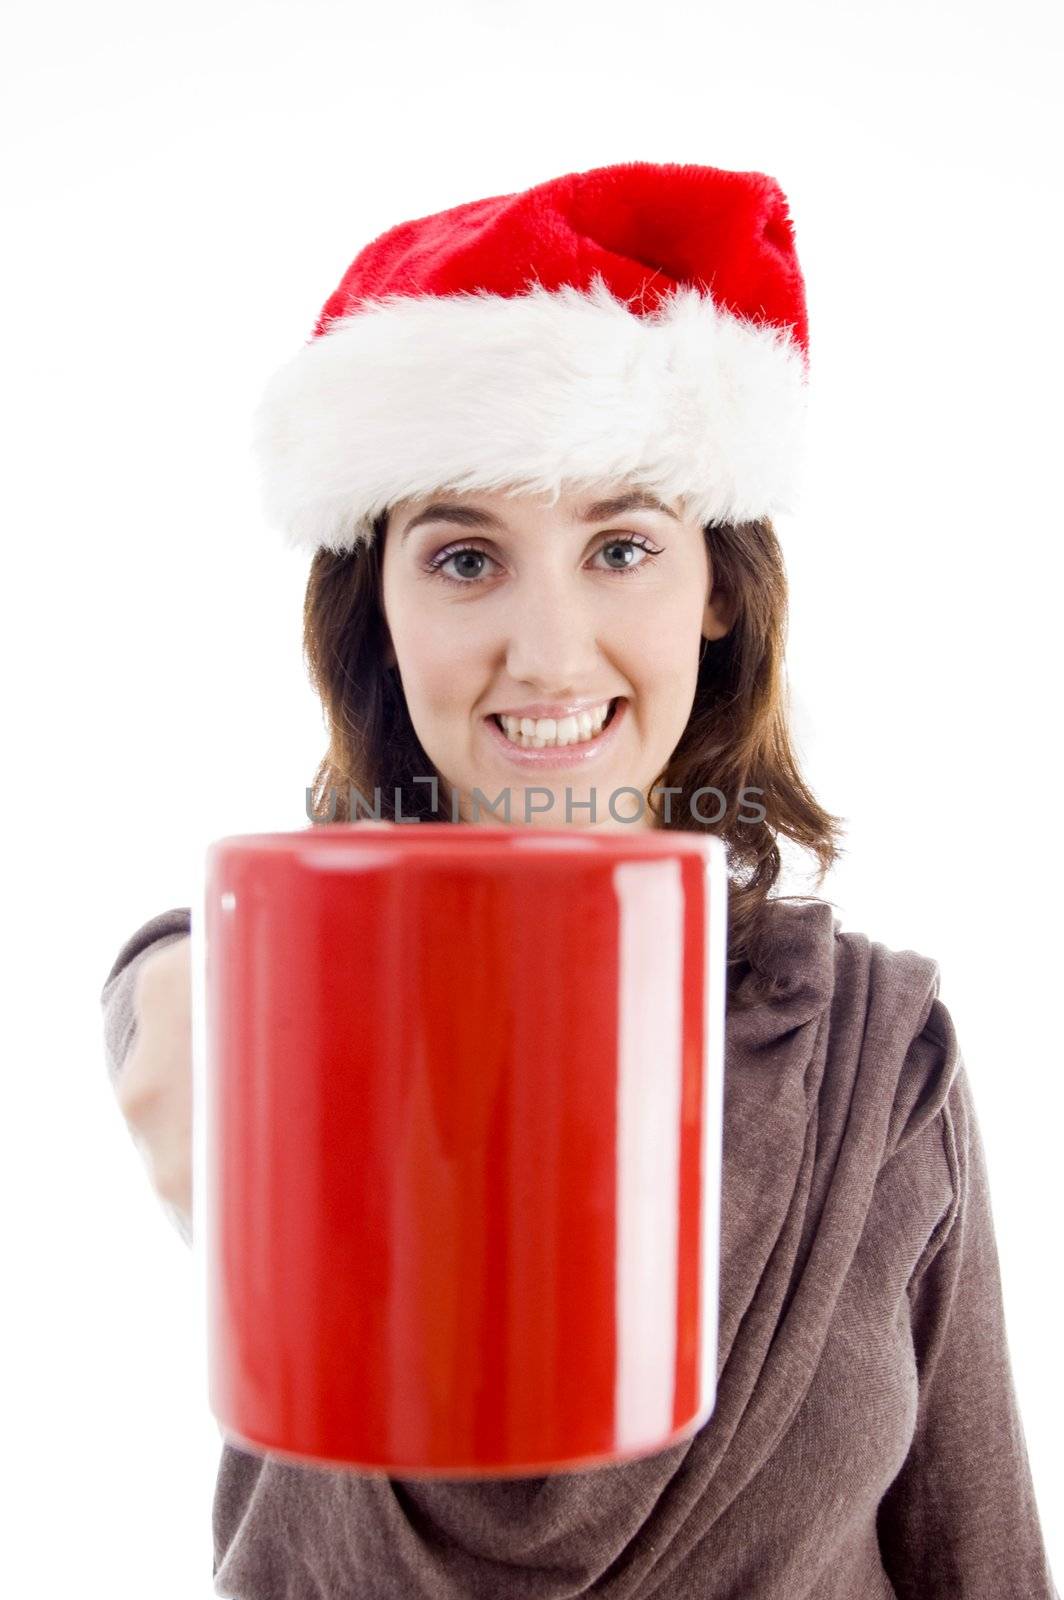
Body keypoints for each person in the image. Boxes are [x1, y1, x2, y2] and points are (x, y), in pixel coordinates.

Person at [100, 160, 1059, 1598]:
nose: (548, 654)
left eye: (621, 546)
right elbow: (178, 980)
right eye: (467, 558)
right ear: (381, 607)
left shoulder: (877, 1050)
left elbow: (977, 1552)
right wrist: (169, 983)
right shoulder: (283, 1001)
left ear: (720, 585)